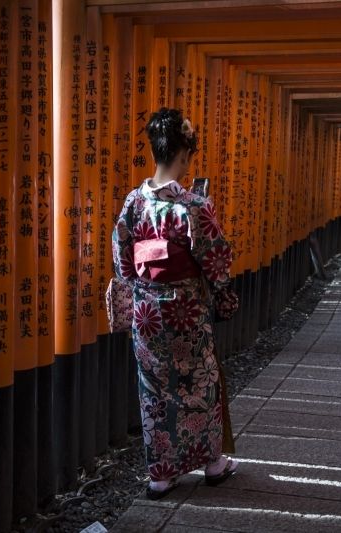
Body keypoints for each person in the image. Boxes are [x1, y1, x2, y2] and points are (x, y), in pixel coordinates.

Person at [112, 108, 239, 500]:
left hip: (147, 312)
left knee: (154, 389)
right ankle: (212, 462)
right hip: (186, 307)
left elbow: (121, 258)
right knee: (199, 381)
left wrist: (140, 290)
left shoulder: (133, 202)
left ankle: (161, 474)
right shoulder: (193, 206)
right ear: (185, 154)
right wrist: (225, 297)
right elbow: (216, 258)